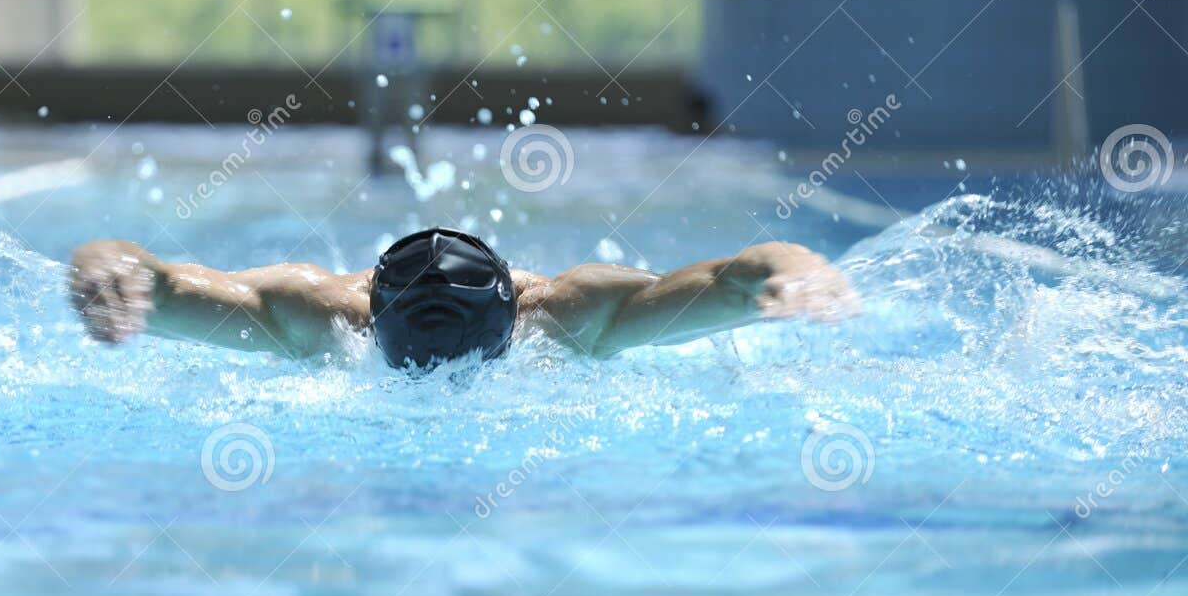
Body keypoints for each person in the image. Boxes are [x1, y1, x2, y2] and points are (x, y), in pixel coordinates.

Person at [69, 227, 857, 369]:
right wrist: (108, 268)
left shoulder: (569, 313)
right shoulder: (318, 311)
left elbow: (732, 276)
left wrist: (789, 268)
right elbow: (160, 280)